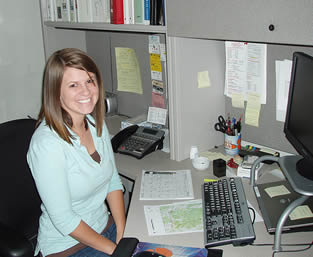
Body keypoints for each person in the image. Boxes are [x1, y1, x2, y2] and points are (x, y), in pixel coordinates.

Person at [27, 48, 125, 257]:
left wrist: (122, 233)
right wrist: (116, 251)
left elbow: (113, 182)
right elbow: (64, 219)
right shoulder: (47, 144)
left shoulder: (94, 122)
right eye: (73, 85)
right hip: (68, 245)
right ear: (55, 91)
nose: (86, 91)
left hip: (104, 228)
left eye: (89, 81)